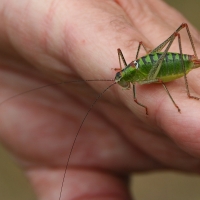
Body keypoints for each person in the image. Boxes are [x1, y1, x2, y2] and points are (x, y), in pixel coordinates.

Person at [0, 0, 200, 199]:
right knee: (146, 60)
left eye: (121, 78)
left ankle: (188, 81)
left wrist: (174, 103)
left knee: (160, 69)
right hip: (146, 64)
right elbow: (129, 65)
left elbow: (152, 83)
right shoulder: (127, 72)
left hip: (162, 67)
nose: (122, 82)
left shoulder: (134, 79)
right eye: (120, 78)